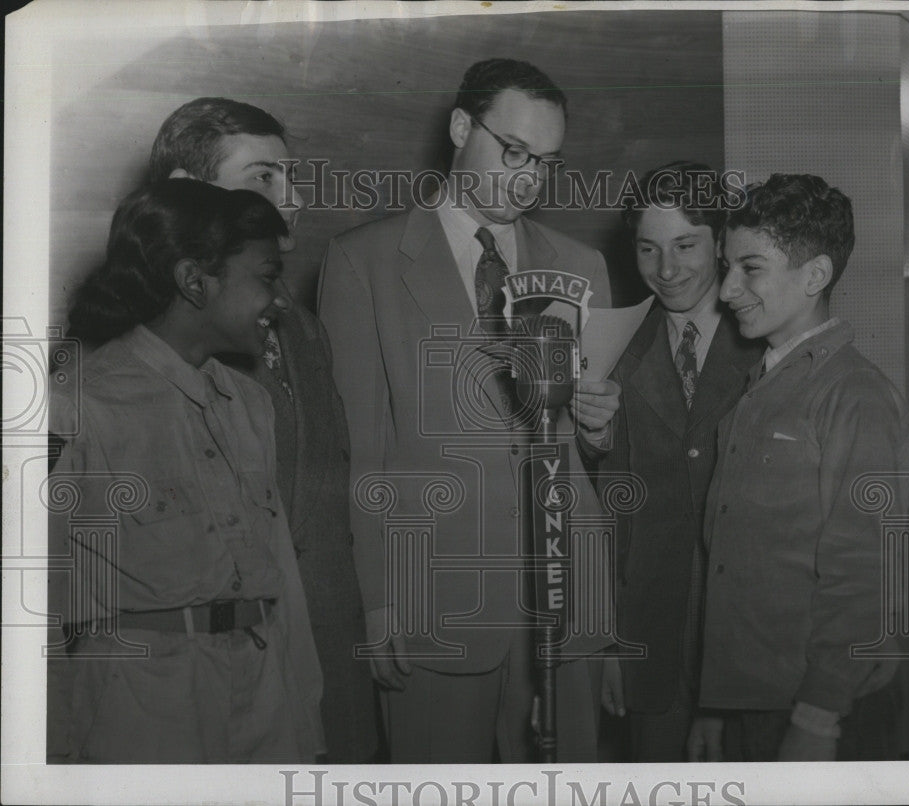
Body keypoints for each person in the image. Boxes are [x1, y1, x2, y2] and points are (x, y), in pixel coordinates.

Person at [317, 58, 620, 762]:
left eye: (545, 163)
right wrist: (379, 600)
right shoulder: (363, 261)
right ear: (461, 127)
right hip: (435, 602)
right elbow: (359, 452)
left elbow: (588, 446)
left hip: (565, 598)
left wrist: (599, 426)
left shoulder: (583, 266)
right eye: (512, 151)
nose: (526, 178)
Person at [48, 179, 323, 762]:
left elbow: (282, 582)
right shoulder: (81, 404)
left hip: (262, 698)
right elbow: (34, 607)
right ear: (194, 281)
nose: (279, 299)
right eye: (267, 276)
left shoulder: (251, 403)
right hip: (141, 704)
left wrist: (306, 724)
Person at [147, 98, 377, 762]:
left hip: (334, 661)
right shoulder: (141, 345)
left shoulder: (301, 325)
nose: (293, 198)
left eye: (291, 178)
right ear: (187, 197)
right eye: (264, 177)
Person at [688, 173, 909, 762]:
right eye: (726, 266)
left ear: (814, 276)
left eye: (751, 268)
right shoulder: (761, 384)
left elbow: (863, 575)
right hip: (754, 702)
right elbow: (732, 569)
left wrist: (817, 721)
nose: (727, 289)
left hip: (820, 711)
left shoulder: (856, 395)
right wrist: (718, 705)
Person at [591, 163, 764, 761]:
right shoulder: (613, 349)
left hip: (753, 652)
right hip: (651, 649)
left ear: (723, 243)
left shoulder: (770, 345)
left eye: (686, 245)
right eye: (648, 249)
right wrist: (611, 643)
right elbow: (606, 517)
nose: (666, 271)